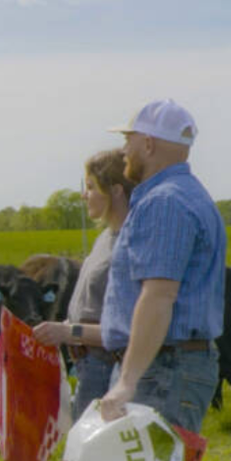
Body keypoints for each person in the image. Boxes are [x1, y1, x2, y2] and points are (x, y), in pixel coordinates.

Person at [95, 98, 226, 461]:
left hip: (164, 367)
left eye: (128, 140)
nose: (123, 150)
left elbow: (158, 295)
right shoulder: (183, 196)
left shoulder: (166, 203)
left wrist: (126, 381)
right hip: (176, 362)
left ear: (148, 143)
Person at [34, 148, 135, 419]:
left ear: (115, 190)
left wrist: (68, 332)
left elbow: (125, 329)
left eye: (91, 187)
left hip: (107, 367)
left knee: (95, 453)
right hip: (88, 364)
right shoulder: (105, 238)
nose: (84, 195)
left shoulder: (130, 244)